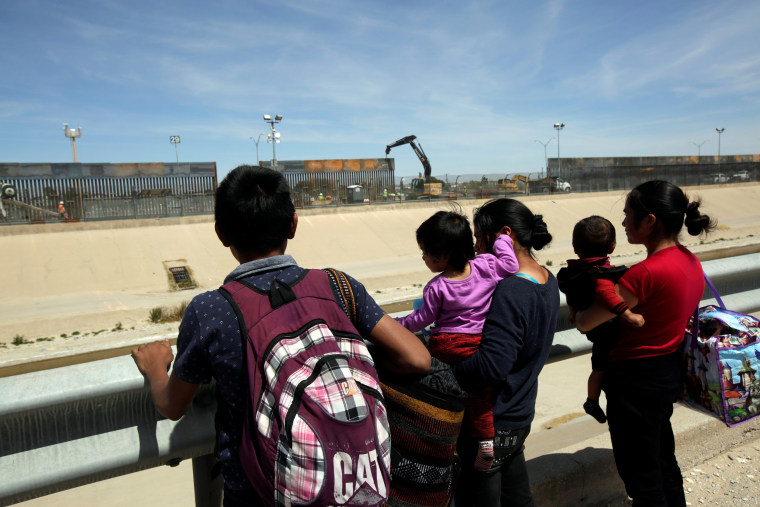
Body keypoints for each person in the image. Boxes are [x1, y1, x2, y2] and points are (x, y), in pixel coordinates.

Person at [131, 165, 431, 507]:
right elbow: (417, 358)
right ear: (293, 223)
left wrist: (156, 369)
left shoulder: (211, 310)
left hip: (258, 493)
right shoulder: (336, 285)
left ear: (221, 234)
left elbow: (172, 406)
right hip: (356, 483)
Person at [574, 180, 715, 506]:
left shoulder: (644, 274)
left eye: (628, 215)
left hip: (634, 382)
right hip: (667, 370)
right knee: (663, 459)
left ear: (649, 220)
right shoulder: (689, 260)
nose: (622, 223)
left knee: (641, 477)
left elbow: (585, 321)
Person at [451, 198, 559, 506]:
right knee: (518, 499)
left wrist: (442, 370)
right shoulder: (546, 279)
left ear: (504, 234)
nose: (475, 245)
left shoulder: (512, 290)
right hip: (519, 416)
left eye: (479, 236)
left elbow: (491, 366)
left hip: (491, 424)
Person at [396, 210, 519, 471]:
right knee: (480, 397)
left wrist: (395, 326)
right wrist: (502, 241)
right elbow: (510, 265)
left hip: (445, 345)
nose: (423, 258)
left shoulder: (437, 287)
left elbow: (420, 320)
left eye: (425, 253)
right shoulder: (486, 266)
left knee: (440, 392)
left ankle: (444, 444)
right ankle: (486, 444)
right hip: (476, 345)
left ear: (442, 256)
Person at [557, 216, 645, 424]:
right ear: (612, 246)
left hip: (592, 329)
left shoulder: (573, 273)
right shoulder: (602, 275)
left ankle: (591, 400)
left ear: (574, 247)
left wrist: (573, 310)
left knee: (598, 369)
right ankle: (592, 401)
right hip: (608, 334)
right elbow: (606, 295)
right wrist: (629, 315)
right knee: (600, 367)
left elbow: (572, 294)